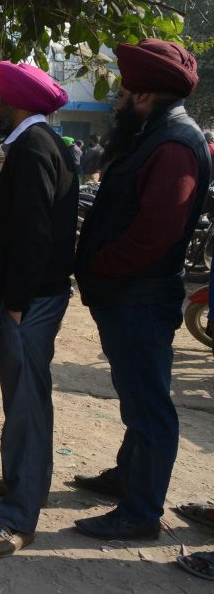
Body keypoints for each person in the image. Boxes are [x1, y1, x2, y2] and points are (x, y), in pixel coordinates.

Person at [74, 39, 210, 541]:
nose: (119, 99)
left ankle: (140, 513)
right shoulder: (155, 133)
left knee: (150, 407)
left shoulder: (174, 143)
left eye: (126, 90)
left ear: (146, 94)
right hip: (127, 295)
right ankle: (126, 479)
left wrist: (103, 266)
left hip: (139, 297)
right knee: (137, 400)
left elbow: (156, 233)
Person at [0, 62, 78, 558]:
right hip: (31, 298)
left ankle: (18, 519)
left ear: (12, 104)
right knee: (22, 401)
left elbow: (33, 232)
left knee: (28, 405)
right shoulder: (40, 144)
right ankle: (21, 481)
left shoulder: (33, 149)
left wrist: (14, 302)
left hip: (28, 303)